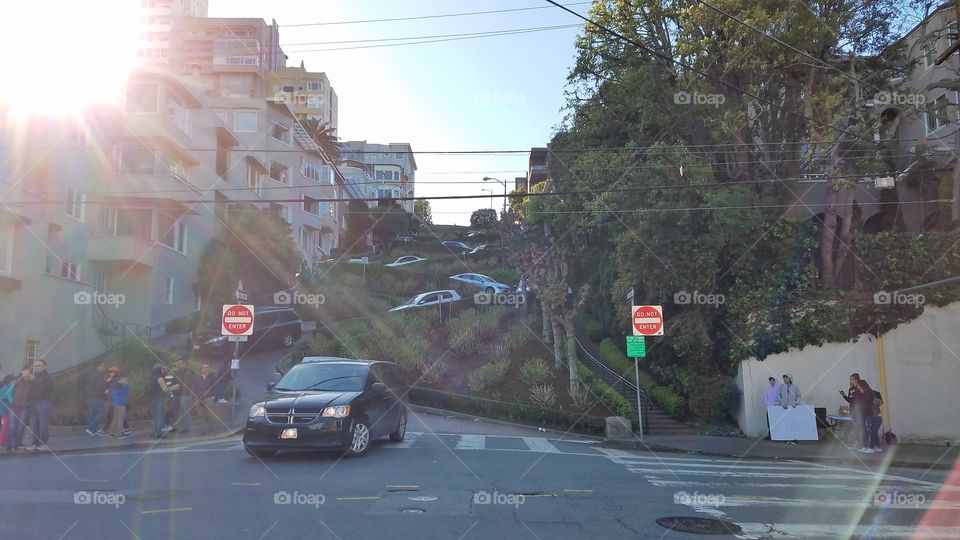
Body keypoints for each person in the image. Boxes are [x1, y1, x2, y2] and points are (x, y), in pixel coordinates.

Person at [28, 359, 53, 451]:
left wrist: (34, 381)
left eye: (39, 366)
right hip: (34, 403)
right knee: (35, 425)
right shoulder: (35, 377)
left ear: (44, 366)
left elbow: (46, 389)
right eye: (35, 366)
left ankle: (43, 444)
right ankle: (35, 443)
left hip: (44, 402)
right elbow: (31, 390)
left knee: (43, 424)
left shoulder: (48, 377)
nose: (36, 367)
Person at [149, 363, 178, 439]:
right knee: (160, 416)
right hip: (159, 399)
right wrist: (173, 387)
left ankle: (155, 432)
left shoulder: (151, 378)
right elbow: (164, 389)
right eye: (162, 369)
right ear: (160, 370)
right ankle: (159, 433)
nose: (163, 370)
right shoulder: (160, 378)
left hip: (152, 399)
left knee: (155, 417)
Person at [855, 379, 883, 454]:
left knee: (872, 431)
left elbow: (876, 402)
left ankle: (871, 448)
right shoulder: (861, 394)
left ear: (863, 386)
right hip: (869, 415)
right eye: (857, 387)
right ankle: (877, 447)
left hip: (875, 417)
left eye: (859, 386)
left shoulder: (870, 394)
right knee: (872, 432)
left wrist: (864, 395)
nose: (858, 388)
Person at [6, 368, 31, 451]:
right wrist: (12, 402)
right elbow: (8, 393)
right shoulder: (16, 382)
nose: (26, 373)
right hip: (14, 408)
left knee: (20, 427)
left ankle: (16, 445)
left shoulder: (31, 384)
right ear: (22, 372)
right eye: (24, 371)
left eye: (28, 372)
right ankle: (8, 445)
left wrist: (28, 404)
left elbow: (32, 396)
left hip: (24, 409)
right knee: (12, 426)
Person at [191, 364, 218, 435]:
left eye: (207, 367)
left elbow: (216, 387)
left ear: (209, 369)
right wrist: (195, 396)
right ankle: (203, 431)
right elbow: (194, 387)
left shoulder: (212, 377)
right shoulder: (197, 377)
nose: (205, 369)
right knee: (201, 416)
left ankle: (212, 431)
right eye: (204, 367)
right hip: (198, 399)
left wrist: (214, 396)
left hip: (209, 398)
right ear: (201, 369)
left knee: (211, 415)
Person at [84, 362, 109, 437]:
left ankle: (92, 431)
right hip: (98, 397)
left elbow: (89, 385)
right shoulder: (99, 375)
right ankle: (91, 429)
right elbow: (101, 386)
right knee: (102, 412)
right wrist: (106, 388)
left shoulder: (92, 374)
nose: (104, 368)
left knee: (94, 413)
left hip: (91, 397)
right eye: (103, 366)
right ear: (99, 367)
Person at [839, 373, 864, 448]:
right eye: (850, 379)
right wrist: (844, 395)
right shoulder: (850, 389)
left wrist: (858, 387)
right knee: (854, 426)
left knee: (858, 427)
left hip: (859, 410)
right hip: (852, 410)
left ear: (856, 380)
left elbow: (863, 396)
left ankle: (859, 442)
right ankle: (856, 442)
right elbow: (850, 400)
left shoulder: (860, 388)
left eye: (852, 379)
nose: (850, 381)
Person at [172, 359, 194, 434]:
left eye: (179, 363)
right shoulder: (177, 372)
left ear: (185, 364)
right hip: (176, 394)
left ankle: (186, 428)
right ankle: (176, 427)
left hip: (185, 395)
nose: (178, 364)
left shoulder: (190, 372)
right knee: (176, 412)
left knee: (185, 411)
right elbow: (173, 381)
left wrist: (180, 386)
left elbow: (190, 383)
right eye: (178, 363)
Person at [107, 374, 131, 438]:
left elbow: (111, 395)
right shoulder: (123, 386)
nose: (126, 380)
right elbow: (127, 393)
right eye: (125, 379)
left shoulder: (114, 385)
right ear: (121, 379)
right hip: (121, 404)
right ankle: (119, 434)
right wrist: (127, 385)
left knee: (115, 419)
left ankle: (112, 433)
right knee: (120, 419)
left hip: (115, 404)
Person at [0, 375, 15, 448]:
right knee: (5, 426)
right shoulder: (9, 387)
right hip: (4, 410)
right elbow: (10, 397)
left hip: (2, 409)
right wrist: (14, 403)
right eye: (13, 380)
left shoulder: (3, 387)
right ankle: (2, 441)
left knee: (3, 426)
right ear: (10, 381)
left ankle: (2, 441)